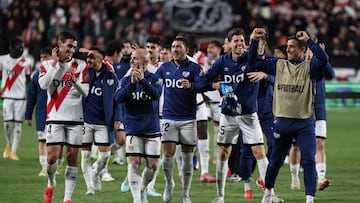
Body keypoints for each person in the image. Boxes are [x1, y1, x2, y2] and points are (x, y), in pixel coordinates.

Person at [256, 31, 332, 203]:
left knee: (308, 161)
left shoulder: (310, 67)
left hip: (304, 123)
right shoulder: (278, 65)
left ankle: (309, 199)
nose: (288, 49)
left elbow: (324, 60)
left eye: (292, 46)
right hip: (282, 121)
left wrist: (310, 41)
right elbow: (254, 62)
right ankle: (268, 194)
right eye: (287, 46)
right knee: (275, 161)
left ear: (302, 50)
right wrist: (254, 42)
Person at [207, 28, 269, 203]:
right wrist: (215, 85)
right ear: (228, 44)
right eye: (236, 41)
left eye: (242, 41)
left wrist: (255, 40)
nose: (240, 44)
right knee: (223, 152)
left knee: (259, 152)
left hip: (249, 115)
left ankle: (269, 194)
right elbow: (206, 79)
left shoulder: (250, 58)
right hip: (228, 114)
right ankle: (220, 196)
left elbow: (265, 63)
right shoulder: (221, 62)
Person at [154, 36, 207, 203]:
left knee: (187, 158)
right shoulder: (164, 68)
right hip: (168, 117)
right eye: (173, 47)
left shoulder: (194, 68)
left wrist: (191, 86)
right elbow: (154, 86)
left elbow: (203, 85)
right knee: (167, 155)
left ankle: (185, 194)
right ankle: (169, 184)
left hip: (188, 119)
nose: (175, 50)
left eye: (178, 47)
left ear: (186, 50)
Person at [39, 31, 89, 203]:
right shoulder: (46, 64)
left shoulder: (81, 65)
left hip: (75, 118)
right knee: (52, 157)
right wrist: (54, 65)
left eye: (74, 47)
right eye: (69, 46)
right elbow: (43, 85)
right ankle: (51, 183)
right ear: (59, 44)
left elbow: (86, 92)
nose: (72, 50)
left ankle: (67, 198)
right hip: (54, 115)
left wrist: (76, 82)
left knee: (72, 156)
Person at [115, 48, 162, 203]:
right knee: (134, 162)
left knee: (153, 166)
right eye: (131, 58)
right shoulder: (126, 79)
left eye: (135, 58)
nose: (131, 61)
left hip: (152, 128)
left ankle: (142, 189)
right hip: (133, 128)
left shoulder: (155, 78)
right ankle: (137, 199)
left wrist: (142, 81)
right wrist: (132, 84)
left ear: (145, 62)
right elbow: (118, 98)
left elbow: (156, 94)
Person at [289, 42, 335, 191]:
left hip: (318, 111)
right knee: (296, 146)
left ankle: (321, 178)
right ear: (303, 50)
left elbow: (331, 75)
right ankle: (294, 177)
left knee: (320, 143)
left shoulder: (320, 66)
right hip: (300, 111)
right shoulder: (297, 66)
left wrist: (323, 58)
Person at [80, 47, 119, 195]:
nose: (88, 59)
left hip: (103, 122)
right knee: (85, 155)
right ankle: (90, 186)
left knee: (104, 156)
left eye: (92, 57)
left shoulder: (111, 77)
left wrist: (117, 118)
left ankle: (96, 173)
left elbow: (117, 100)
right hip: (86, 121)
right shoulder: (84, 74)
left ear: (100, 59)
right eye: (87, 57)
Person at [0, 38, 32, 161]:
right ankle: (8, 144)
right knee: (7, 124)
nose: (20, 50)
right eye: (18, 47)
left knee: (18, 125)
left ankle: (14, 152)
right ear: (11, 48)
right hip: (7, 97)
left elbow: (29, 80)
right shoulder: (2, 60)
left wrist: (31, 95)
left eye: (21, 47)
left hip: (21, 98)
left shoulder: (26, 62)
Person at [25, 46, 51, 176]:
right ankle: (44, 167)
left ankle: (56, 165)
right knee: (42, 141)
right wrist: (28, 114)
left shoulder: (57, 74)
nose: (42, 60)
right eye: (41, 58)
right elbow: (31, 97)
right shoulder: (36, 76)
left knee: (54, 142)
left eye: (45, 57)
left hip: (54, 113)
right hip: (41, 113)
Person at [203, 40, 223, 165]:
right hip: (205, 98)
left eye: (212, 47)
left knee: (217, 128)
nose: (209, 50)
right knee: (202, 126)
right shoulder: (204, 61)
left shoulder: (222, 61)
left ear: (218, 49)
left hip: (217, 99)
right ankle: (204, 156)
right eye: (208, 48)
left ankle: (216, 156)